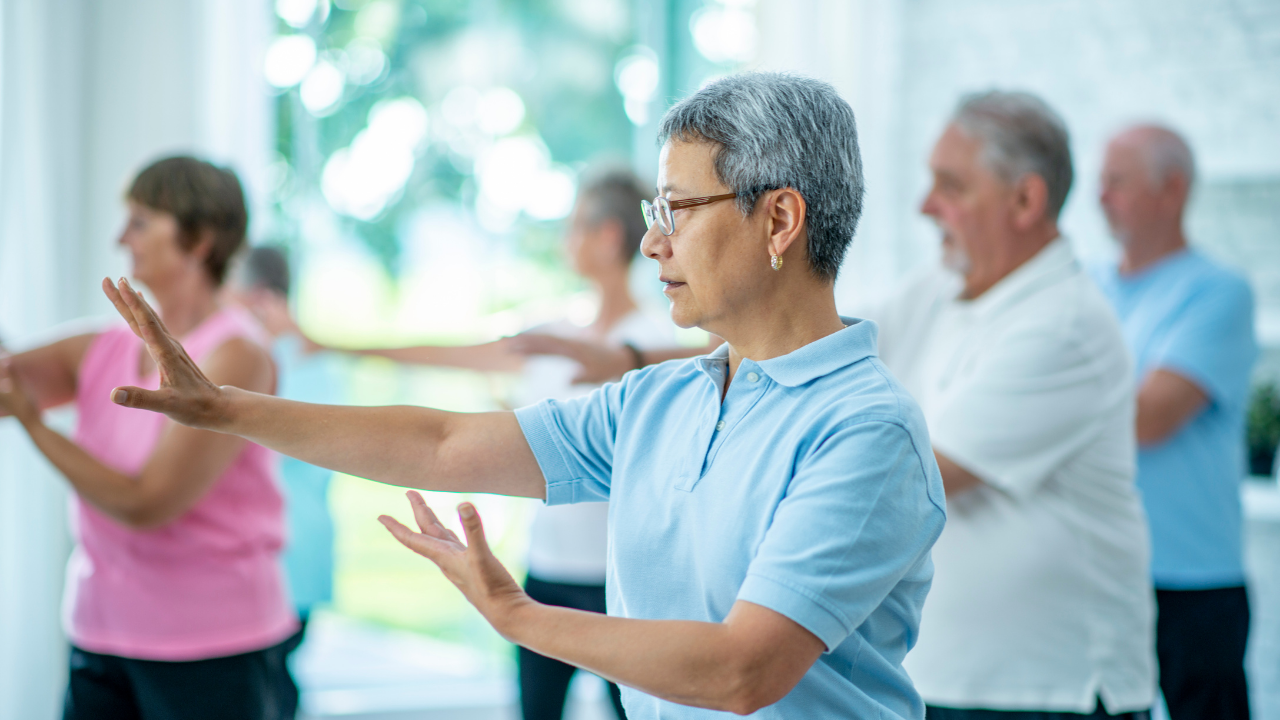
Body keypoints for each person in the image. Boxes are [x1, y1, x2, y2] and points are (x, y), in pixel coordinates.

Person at [100, 72, 947, 719]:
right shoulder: (659, 401)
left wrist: (517, 615)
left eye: (678, 209)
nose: (652, 243)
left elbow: (742, 671)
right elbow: (441, 445)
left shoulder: (865, 432)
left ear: (781, 220)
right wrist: (228, 409)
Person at [317, 168, 673, 720]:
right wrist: (334, 346)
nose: (565, 239)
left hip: (621, 579)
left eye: (575, 226)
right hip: (545, 574)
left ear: (607, 237)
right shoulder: (552, 334)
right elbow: (451, 355)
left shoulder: (657, 344)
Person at [863, 92, 1155, 719]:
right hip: (938, 679)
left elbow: (911, 479)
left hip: (1048, 694)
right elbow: (808, 345)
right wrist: (653, 362)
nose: (925, 205)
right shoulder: (939, 286)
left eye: (951, 186)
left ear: (1025, 200)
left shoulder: (1066, 324)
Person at [0, 157, 297, 720]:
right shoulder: (103, 349)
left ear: (200, 240)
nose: (121, 238)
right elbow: (5, 381)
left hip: (213, 646)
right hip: (100, 632)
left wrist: (36, 427)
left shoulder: (238, 355)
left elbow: (146, 503)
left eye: (139, 222)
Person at [1092, 125, 1256, 720]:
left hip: (1193, 579)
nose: (1100, 196)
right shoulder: (1087, 285)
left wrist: (1042, 409)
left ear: (1172, 190)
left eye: (1118, 182)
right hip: (1104, 573)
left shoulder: (1218, 292)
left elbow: (1151, 417)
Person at [226, 245, 347, 719]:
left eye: (228, 289)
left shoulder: (297, 362)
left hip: (289, 557)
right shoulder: (279, 358)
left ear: (260, 298)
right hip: (283, 555)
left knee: (267, 686)